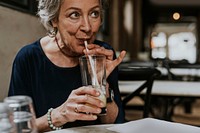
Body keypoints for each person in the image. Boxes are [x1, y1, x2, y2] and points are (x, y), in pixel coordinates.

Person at [8, 0, 126, 132]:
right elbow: (16, 129)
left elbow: (115, 123)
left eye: (94, 13)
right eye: (74, 14)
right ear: (54, 19)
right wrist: (59, 115)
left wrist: (101, 85)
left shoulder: (102, 55)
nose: (87, 27)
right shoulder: (28, 59)